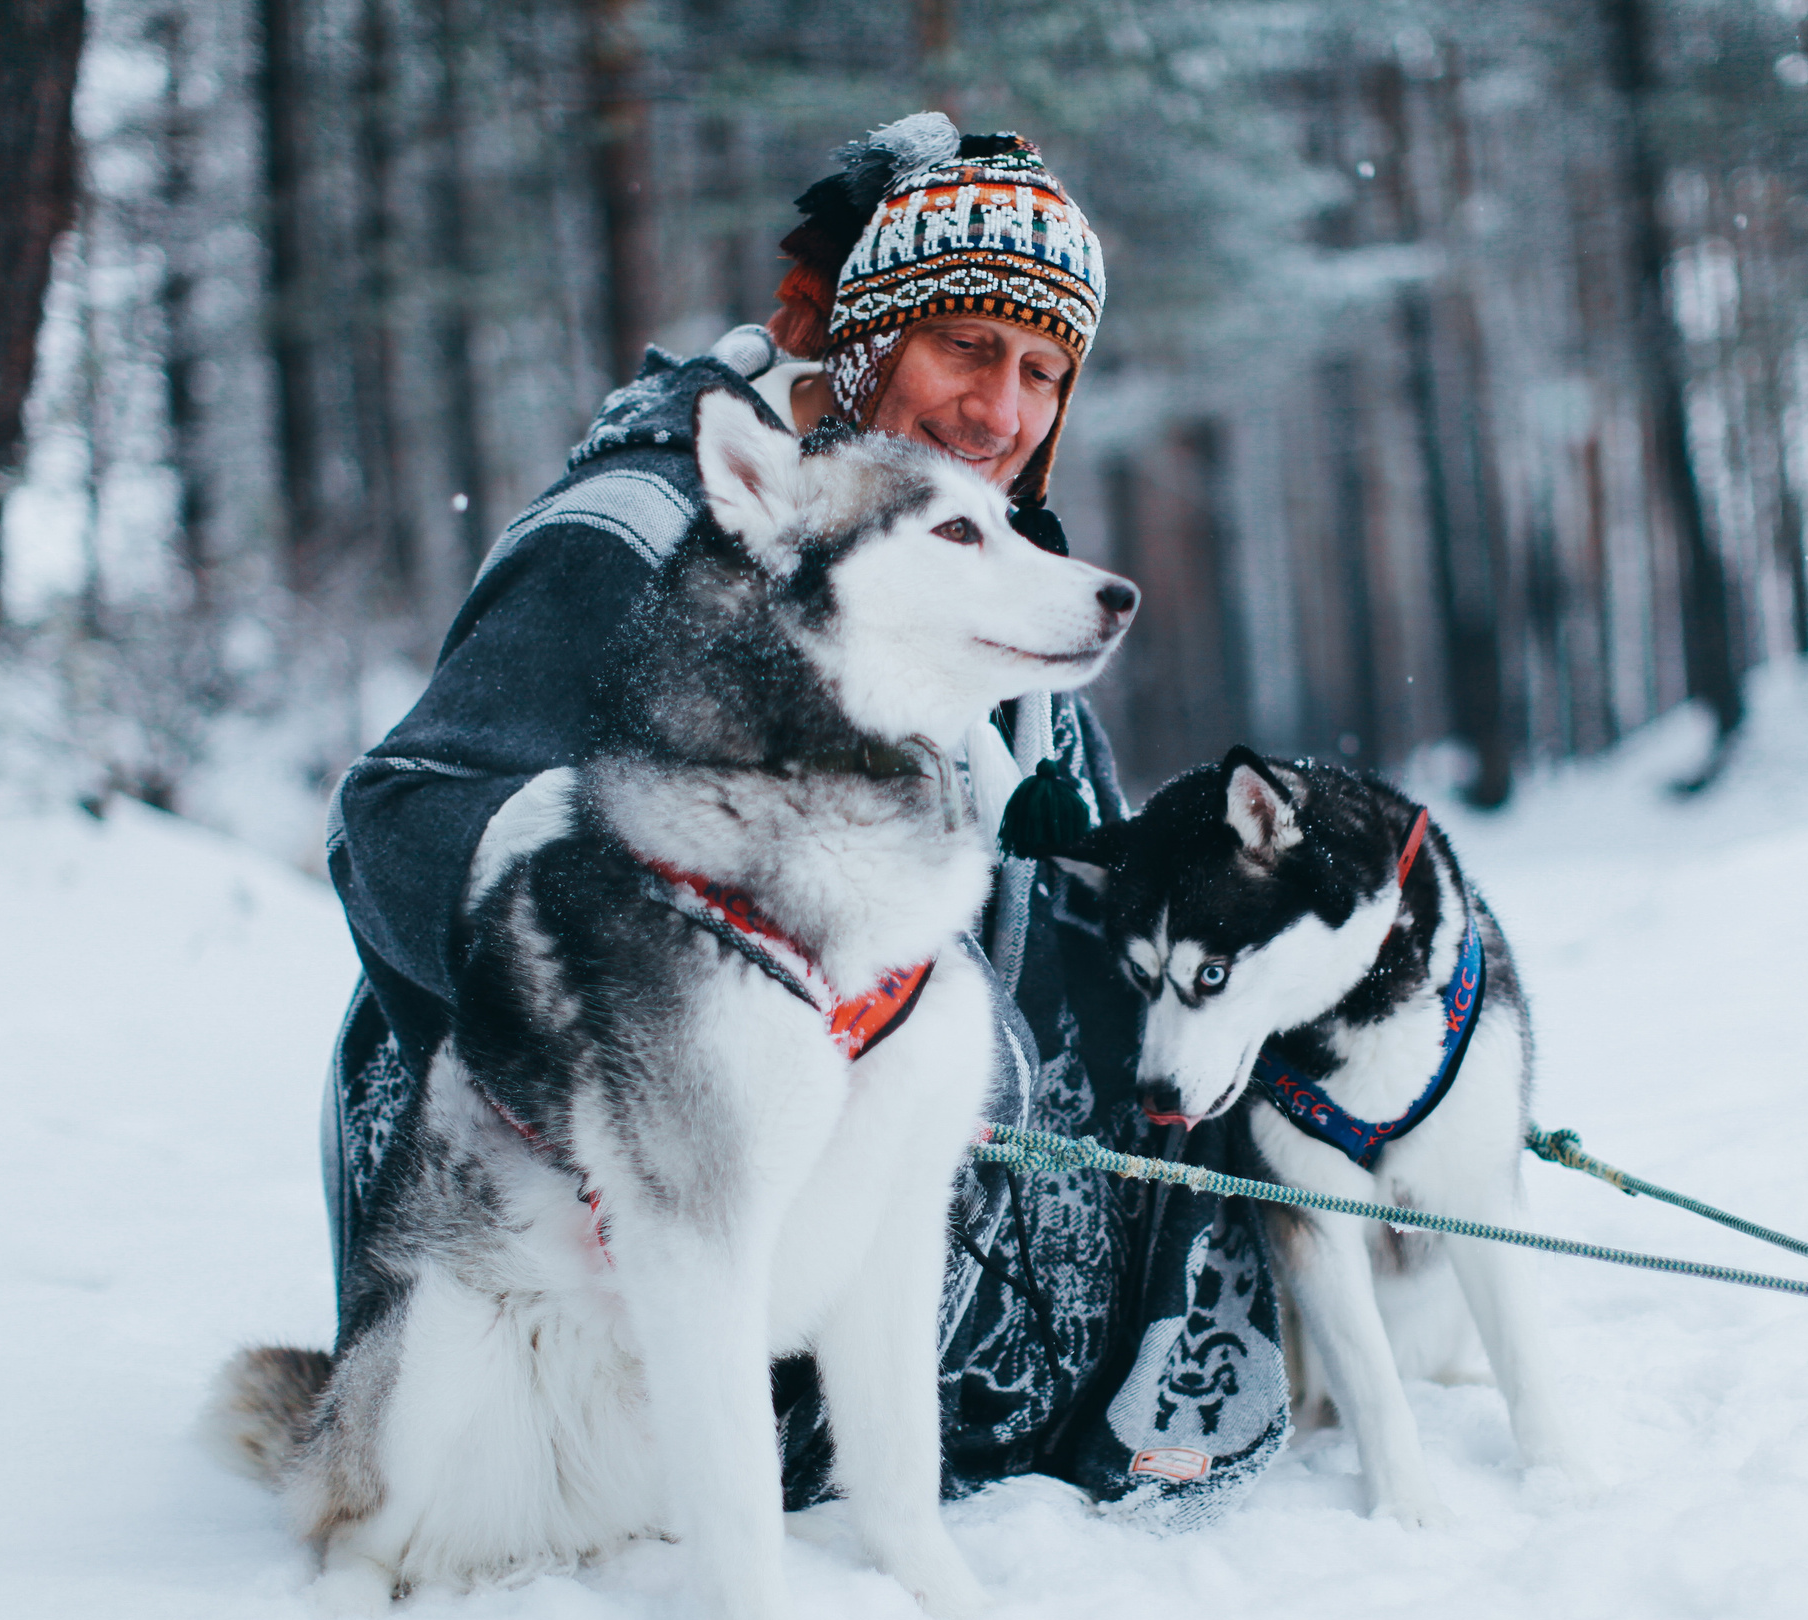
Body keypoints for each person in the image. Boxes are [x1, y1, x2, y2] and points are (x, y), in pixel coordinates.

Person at [321, 114, 1288, 1522]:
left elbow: (1066, 867)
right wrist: (622, 1026)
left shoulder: (992, 594)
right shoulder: (660, 533)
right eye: (965, 346)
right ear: (864, 341)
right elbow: (398, 817)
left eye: (1042, 372)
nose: (1001, 412)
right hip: (562, 1226)